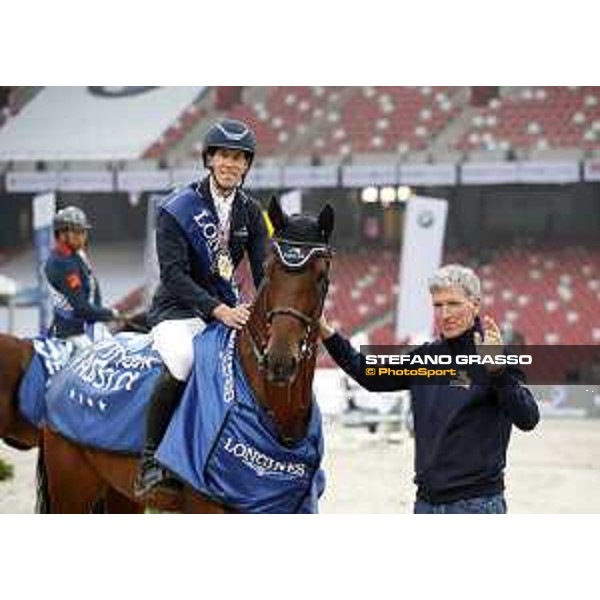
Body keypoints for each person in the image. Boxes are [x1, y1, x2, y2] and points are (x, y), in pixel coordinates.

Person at [320, 264, 539, 514]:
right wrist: (327, 334)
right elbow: (369, 374)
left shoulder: (497, 357)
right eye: (438, 305)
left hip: (476, 505)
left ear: (475, 305)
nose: (445, 314)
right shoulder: (425, 357)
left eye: (453, 303)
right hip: (425, 503)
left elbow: (528, 417)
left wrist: (498, 373)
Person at [135, 118, 268, 496]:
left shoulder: (251, 212)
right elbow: (173, 275)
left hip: (227, 307)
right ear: (210, 159)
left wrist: (267, 310)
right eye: (224, 156)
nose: (231, 164)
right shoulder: (177, 208)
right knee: (183, 362)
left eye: (239, 158)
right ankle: (149, 460)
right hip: (178, 310)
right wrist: (218, 310)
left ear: (247, 165)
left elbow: (262, 272)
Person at [44, 206, 121, 350]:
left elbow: (92, 290)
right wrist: (110, 313)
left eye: (84, 231)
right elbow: (81, 308)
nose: (83, 236)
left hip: (89, 325)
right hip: (71, 333)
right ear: (61, 234)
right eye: (77, 232)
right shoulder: (61, 264)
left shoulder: (77, 254)